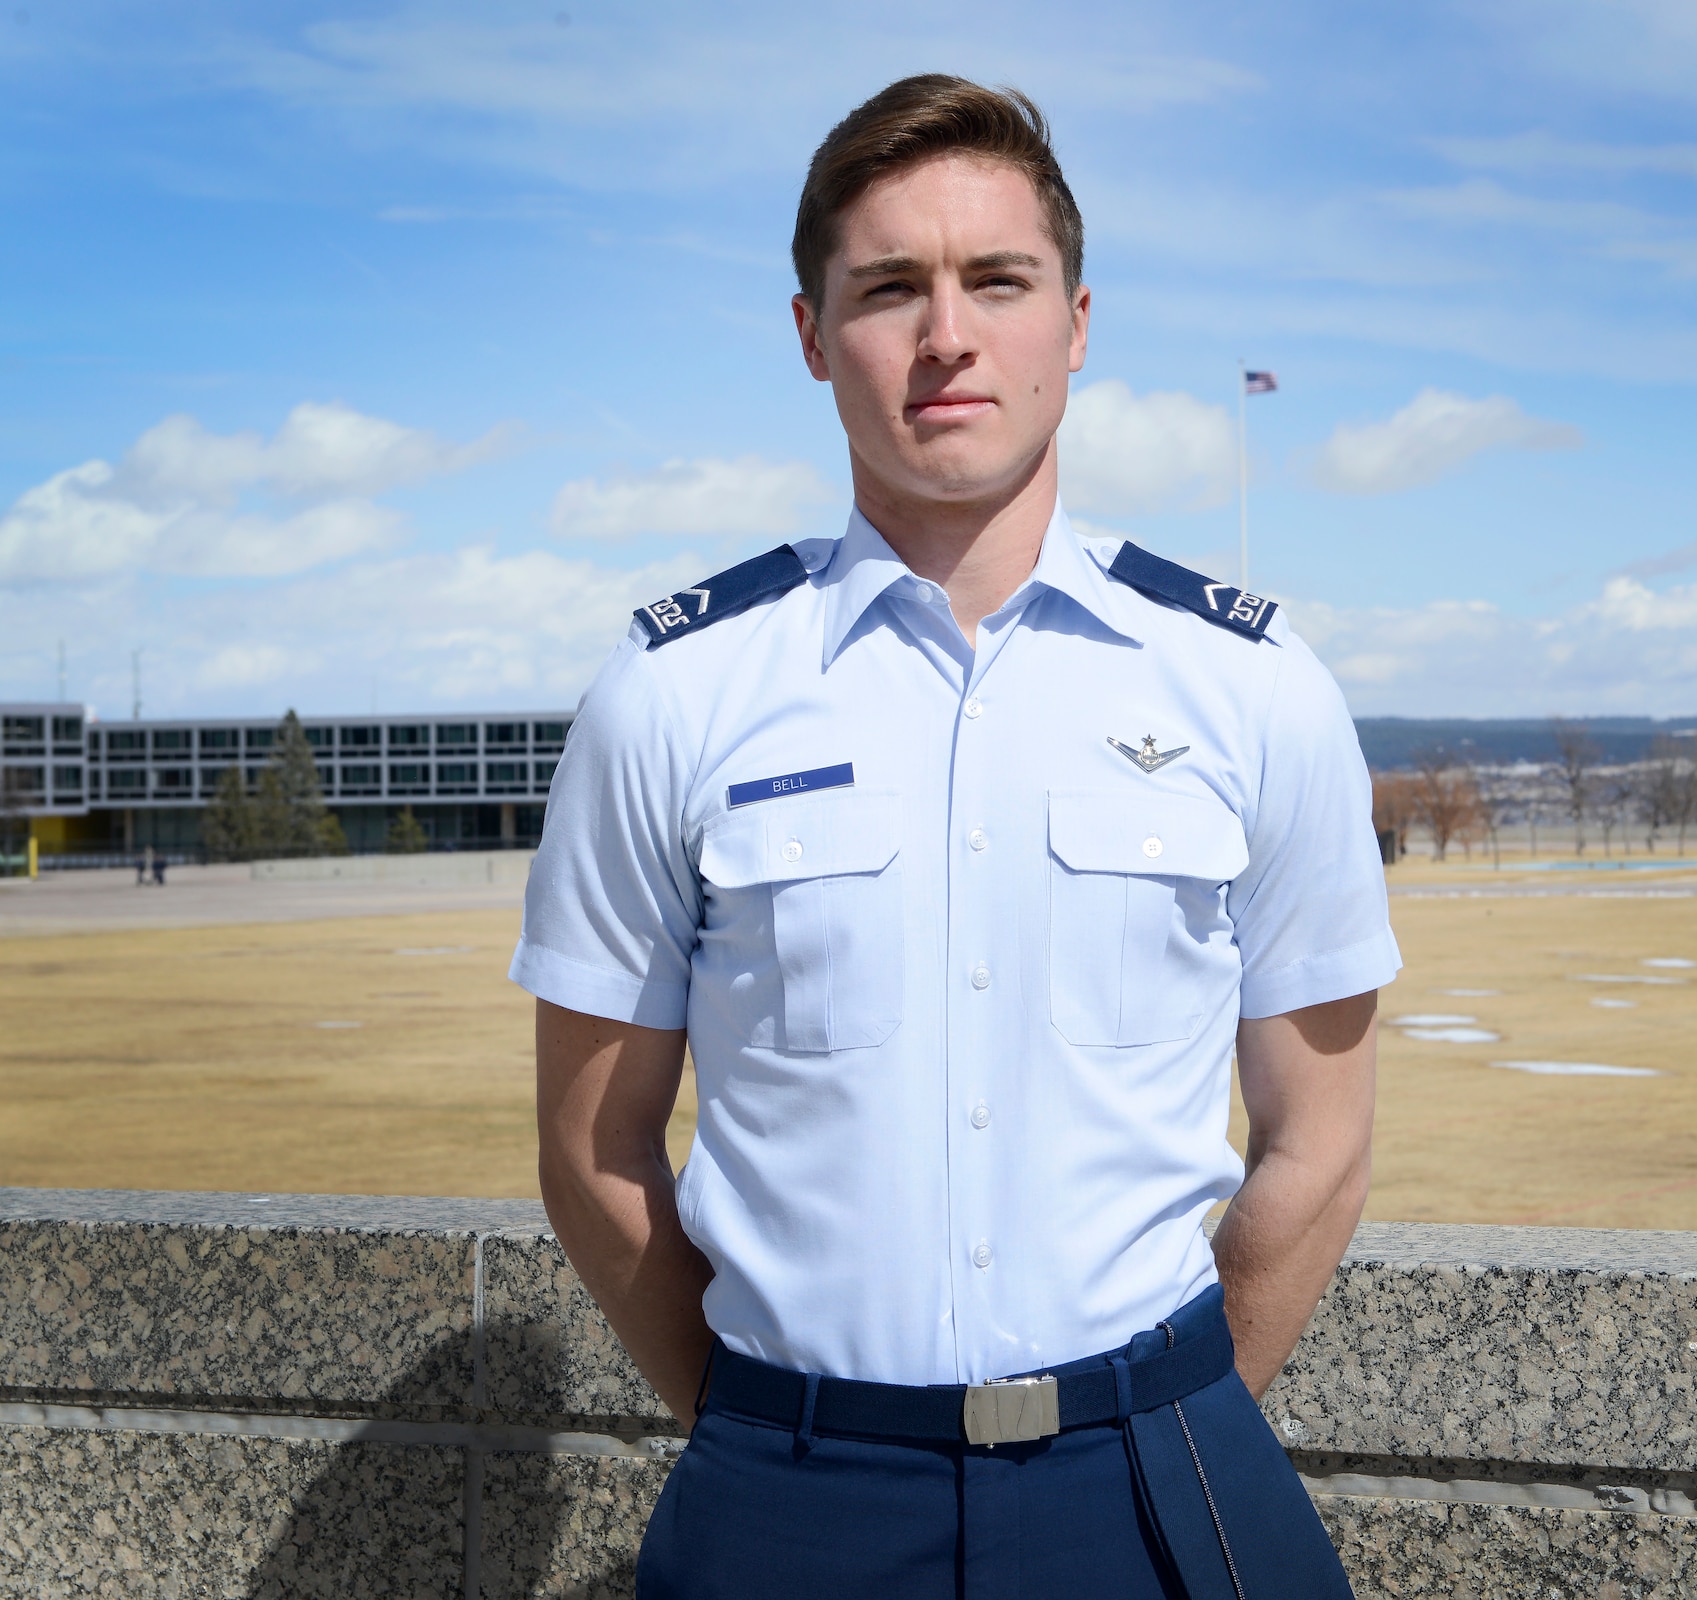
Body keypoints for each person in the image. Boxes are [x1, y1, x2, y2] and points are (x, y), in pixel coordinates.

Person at [514, 75, 1398, 1600]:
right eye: (888, 289)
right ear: (811, 335)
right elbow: (595, 1147)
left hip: (1157, 1477)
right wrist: (760, 1426)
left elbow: (1319, 1140)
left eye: (998, 279)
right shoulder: (674, 695)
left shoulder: (1253, 687)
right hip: (791, 1495)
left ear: (1076, 317)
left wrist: (1164, 1421)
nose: (947, 334)